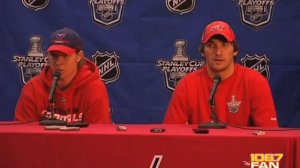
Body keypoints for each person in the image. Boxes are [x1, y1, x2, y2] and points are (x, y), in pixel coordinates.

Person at [164, 21, 279, 127]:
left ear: (235, 50)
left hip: (242, 149)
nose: (218, 52)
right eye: (211, 45)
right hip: (200, 148)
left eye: (224, 45)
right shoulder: (187, 85)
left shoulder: (255, 82)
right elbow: (170, 133)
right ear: (203, 51)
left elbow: (269, 134)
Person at [15, 27, 112, 124]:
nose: (58, 62)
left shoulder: (94, 88)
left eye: (65, 56)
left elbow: (98, 134)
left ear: (79, 56)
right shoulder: (33, 88)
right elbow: (23, 132)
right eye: (54, 55)